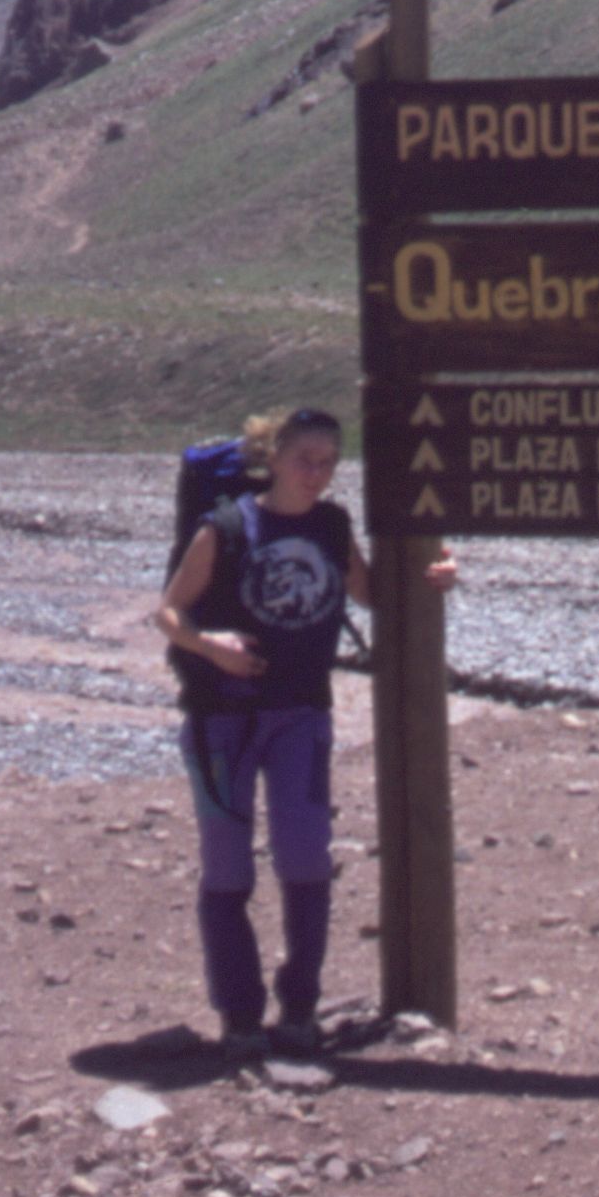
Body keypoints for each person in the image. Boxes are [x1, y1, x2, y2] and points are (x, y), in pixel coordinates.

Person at [146, 406, 454, 1055]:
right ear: (274, 456)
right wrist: (211, 646)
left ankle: (299, 1008)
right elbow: (169, 612)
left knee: (307, 859)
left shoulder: (331, 525)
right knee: (228, 870)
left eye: (328, 463)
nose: (315, 474)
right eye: (304, 459)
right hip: (219, 720)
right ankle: (237, 1014)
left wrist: (434, 572)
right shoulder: (226, 527)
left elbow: (375, 595)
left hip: (301, 717)